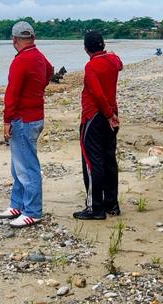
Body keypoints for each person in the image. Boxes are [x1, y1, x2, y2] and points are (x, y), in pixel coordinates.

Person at [0, 21, 53, 228]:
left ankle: (33, 211)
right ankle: (17, 204)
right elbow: (49, 71)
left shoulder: (20, 60)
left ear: (14, 39)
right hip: (35, 115)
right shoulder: (38, 56)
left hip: (23, 119)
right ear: (32, 38)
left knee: (27, 166)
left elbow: (12, 94)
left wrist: (6, 120)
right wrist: (37, 90)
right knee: (18, 163)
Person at [73, 31, 123, 220]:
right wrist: (112, 115)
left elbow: (97, 93)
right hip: (111, 114)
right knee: (109, 159)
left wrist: (109, 115)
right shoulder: (112, 60)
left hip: (94, 117)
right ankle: (112, 204)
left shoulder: (91, 66)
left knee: (92, 162)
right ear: (103, 45)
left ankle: (95, 208)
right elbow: (119, 63)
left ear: (86, 49)